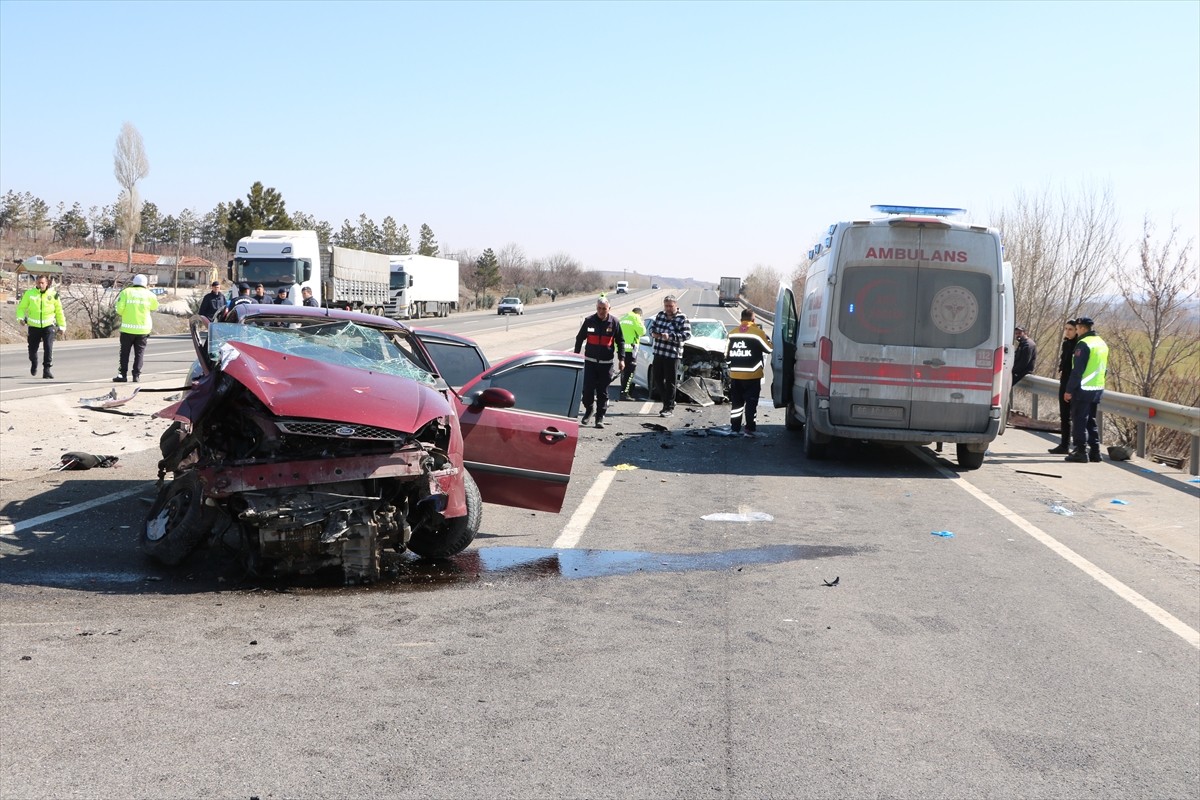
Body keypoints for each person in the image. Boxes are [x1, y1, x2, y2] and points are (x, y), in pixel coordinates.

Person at [573, 295, 624, 429]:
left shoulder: (615, 323)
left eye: (604, 309)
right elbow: (579, 338)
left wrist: (622, 359)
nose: (601, 311)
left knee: (602, 391)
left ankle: (600, 417)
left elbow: (621, 341)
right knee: (587, 391)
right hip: (590, 362)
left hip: (606, 364)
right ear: (596, 308)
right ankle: (589, 409)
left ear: (609, 308)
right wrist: (576, 355)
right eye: (599, 308)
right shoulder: (589, 321)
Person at [1062, 316, 1108, 463]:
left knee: (1079, 420)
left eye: (1076, 328)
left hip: (1083, 388)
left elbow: (1077, 371)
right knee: (1091, 420)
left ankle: (1080, 451)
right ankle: (1095, 451)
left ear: (1081, 328)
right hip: (1097, 387)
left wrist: (1069, 390)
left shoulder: (1083, 344)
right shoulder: (1101, 343)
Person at [726, 309, 772, 437]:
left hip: (736, 375)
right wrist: (767, 338)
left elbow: (726, 354)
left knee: (736, 404)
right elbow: (769, 349)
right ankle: (749, 429)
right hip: (752, 375)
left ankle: (735, 428)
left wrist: (732, 367)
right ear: (753, 320)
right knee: (751, 404)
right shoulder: (758, 333)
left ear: (741, 319)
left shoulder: (732, 333)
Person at [647, 295, 691, 417]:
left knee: (670, 381)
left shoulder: (682, 318)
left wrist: (670, 336)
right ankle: (668, 400)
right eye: (666, 306)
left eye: (670, 306)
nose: (668, 308)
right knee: (657, 379)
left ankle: (668, 408)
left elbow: (687, 335)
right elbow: (652, 328)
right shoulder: (660, 315)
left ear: (676, 305)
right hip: (659, 352)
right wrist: (654, 334)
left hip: (672, 354)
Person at [15, 274, 65, 379]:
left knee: (48, 348)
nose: (40, 285)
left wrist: (62, 326)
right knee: (32, 350)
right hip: (34, 327)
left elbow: (59, 312)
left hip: (48, 326)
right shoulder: (29, 294)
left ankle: (46, 370)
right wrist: (20, 318)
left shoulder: (54, 295)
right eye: (38, 283)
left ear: (47, 283)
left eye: (43, 283)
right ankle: (34, 362)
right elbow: (21, 308)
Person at [113, 274, 159, 383]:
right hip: (143, 329)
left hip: (127, 329)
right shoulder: (150, 294)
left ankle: (122, 375)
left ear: (134, 282)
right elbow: (155, 307)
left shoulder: (126, 292)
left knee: (124, 353)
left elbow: (119, 310)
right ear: (146, 284)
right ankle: (136, 375)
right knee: (139, 353)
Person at [1047, 319, 1078, 454]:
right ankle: (1064, 445)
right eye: (1066, 329)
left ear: (1077, 330)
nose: (1067, 331)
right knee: (1064, 416)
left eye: (1070, 329)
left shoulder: (1079, 345)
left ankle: (1078, 446)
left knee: (1076, 416)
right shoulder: (1066, 344)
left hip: (1073, 383)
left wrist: (1070, 388)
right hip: (1064, 381)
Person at [617, 306, 645, 401]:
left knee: (625, 372)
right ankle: (625, 393)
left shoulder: (624, 318)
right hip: (631, 350)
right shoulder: (635, 317)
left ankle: (623, 392)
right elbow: (642, 331)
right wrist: (641, 323)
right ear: (639, 314)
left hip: (621, 349)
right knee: (630, 373)